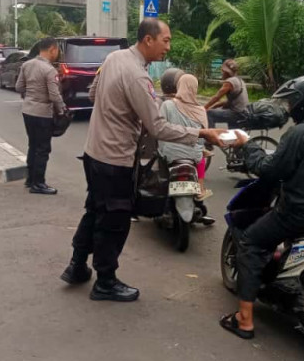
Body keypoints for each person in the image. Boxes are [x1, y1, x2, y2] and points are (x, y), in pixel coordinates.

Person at [60, 18, 226, 302]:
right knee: (114, 220)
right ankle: (105, 281)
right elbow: (158, 127)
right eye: (166, 40)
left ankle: (77, 266)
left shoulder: (113, 58)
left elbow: (92, 93)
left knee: (94, 209)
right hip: (115, 159)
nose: (168, 47)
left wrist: (115, 111)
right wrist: (201, 133)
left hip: (94, 152)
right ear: (148, 40)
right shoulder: (138, 76)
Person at [219, 76, 304, 340]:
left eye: (293, 102)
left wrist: (248, 144)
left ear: (303, 105)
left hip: (301, 213)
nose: (290, 107)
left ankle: (244, 320)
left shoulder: (300, 133)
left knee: (250, 242)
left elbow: (269, 171)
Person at [15, 37, 67, 195]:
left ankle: (30, 179)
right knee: (43, 148)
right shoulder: (49, 70)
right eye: (57, 50)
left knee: (33, 145)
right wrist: (62, 110)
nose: (57, 53)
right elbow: (54, 95)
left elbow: (19, 87)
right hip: (43, 114)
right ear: (52, 49)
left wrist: (30, 96)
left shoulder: (27, 64)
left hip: (28, 111)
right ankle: (38, 184)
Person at [158, 73, 212, 200]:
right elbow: (202, 137)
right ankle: (200, 188)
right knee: (201, 155)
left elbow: (160, 129)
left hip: (169, 154)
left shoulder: (167, 105)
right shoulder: (201, 110)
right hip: (194, 155)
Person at [205, 59, 249, 128]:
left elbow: (217, 97)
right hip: (243, 113)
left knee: (209, 114)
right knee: (232, 135)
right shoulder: (239, 80)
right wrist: (214, 106)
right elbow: (230, 101)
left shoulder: (230, 82)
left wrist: (204, 107)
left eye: (223, 71)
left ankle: (211, 137)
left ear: (227, 72)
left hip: (236, 114)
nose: (222, 73)